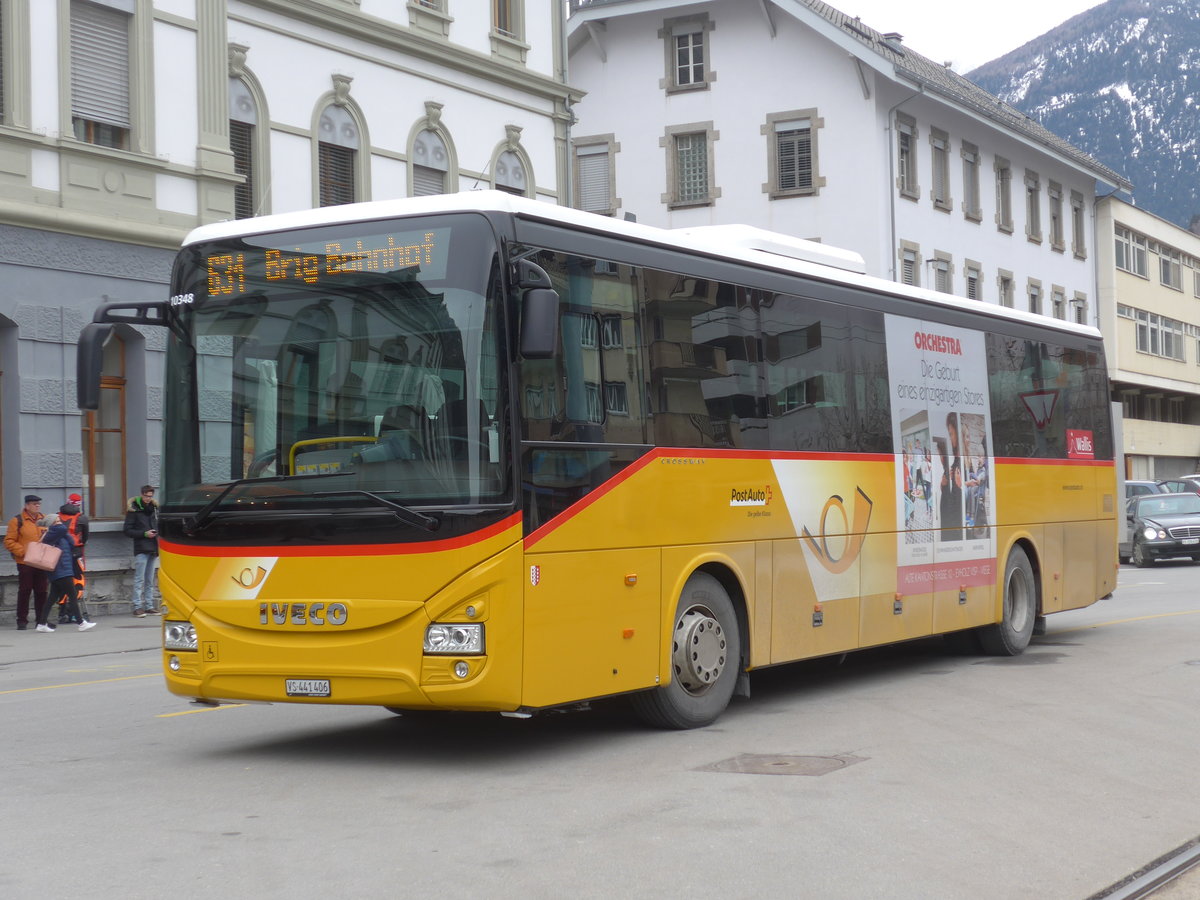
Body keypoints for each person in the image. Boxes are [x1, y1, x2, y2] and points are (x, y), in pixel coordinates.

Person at [36, 513, 96, 632]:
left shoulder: (58, 533)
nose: (60, 522)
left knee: (52, 598)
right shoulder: (54, 532)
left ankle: (41, 624)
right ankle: (81, 622)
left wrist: (64, 531)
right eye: (57, 520)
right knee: (72, 595)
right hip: (61, 570)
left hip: (62, 570)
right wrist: (60, 526)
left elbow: (72, 542)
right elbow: (64, 529)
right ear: (52, 524)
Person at [4, 495, 49, 630]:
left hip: (41, 561)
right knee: (25, 590)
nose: (37, 506)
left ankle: (41, 621)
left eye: (39, 504)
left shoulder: (44, 519)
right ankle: (22, 620)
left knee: (41, 591)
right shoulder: (17, 520)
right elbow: (9, 541)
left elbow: (51, 536)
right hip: (25, 562)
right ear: (27, 506)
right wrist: (23, 551)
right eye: (35, 504)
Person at [123, 485, 160, 617]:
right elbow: (127, 530)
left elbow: (158, 524)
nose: (148, 499)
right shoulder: (134, 510)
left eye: (150, 496)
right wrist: (144, 534)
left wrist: (156, 533)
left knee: (150, 579)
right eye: (146, 496)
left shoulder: (155, 509)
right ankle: (137, 606)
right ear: (142, 494)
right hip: (141, 547)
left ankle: (149, 606)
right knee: (139, 579)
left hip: (153, 547)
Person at [57, 498, 90, 625]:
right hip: (77, 552)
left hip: (60, 553)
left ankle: (62, 614)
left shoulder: (57, 516)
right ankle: (74, 613)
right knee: (78, 581)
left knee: (62, 581)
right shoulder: (82, 518)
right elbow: (85, 537)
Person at [939, 413, 964, 541]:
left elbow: (957, 506)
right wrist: (943, 484)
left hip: (954, 533)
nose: (950, 438)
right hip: (950, 528)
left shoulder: (960, 464)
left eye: (951, 434)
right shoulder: (954, 463)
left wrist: (960, 488)